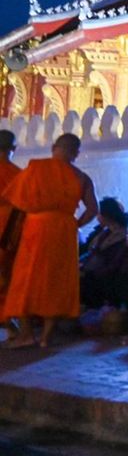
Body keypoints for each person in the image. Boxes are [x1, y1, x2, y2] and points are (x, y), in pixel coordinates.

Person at [2, 133, 97, 349]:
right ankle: (46, 337)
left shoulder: (35, 168)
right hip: (63, 231)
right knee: (56, 282)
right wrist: (75, 224)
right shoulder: (81, 177)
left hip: (36, 227)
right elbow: (93, 209)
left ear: (54, 147)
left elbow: (14, 199)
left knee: (25, 280)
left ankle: (26, 334)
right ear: (76, 153)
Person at [79, 197, 128, 309]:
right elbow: (88, 250)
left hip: (105, 276)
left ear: (107, 216)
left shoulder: (121, 236)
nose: (97, 217)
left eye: (99, 214)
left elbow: (114, 261)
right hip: (94, 268)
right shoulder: (103, 232)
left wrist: (88, 271)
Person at [0, 130, 23, 336]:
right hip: (9, 231)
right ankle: (8, 321)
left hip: (7, 228)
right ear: (13, 149)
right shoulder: (18, 174)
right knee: (7, 276)